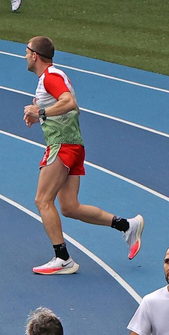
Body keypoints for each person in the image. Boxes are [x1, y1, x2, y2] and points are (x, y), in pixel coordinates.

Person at [22, 36, 144, 275]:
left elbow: (70, 102)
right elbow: (60, 104)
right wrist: (36, 112)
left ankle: (62, 258)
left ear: (35, 55)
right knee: (69, 207)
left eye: (26, 52)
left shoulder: (51, 76)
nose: (24, 56)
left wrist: (42, 113)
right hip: (73, 145)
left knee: (42, 200)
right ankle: (126, 225)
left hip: (63, 145)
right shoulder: (51, 78)